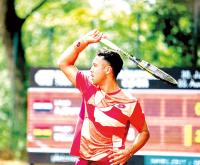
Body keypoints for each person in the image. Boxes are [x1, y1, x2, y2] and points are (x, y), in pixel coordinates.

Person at [57, 29, 150, 165]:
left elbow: (144, 132)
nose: (91, 70)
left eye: (95, 66)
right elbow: (63, 63)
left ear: (107, 70)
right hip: (83, 161)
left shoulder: (130, 102)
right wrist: (84, 41)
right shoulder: (88, 87)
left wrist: (129, 151)